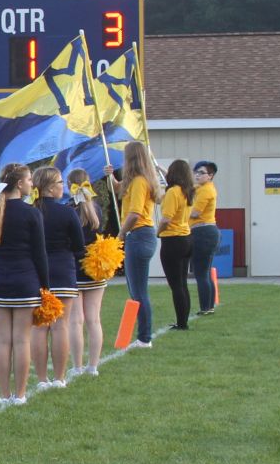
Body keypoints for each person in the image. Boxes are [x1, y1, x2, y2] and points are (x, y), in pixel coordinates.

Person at [0, 163, 47, 404]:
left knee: (2, 340)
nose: (32, 183)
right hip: (25, 281)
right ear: (19, 184)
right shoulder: (31, 213)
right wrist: (45, 286)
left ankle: (4, 394)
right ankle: (19, 395)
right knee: (21, 340)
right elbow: (40, 254)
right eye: (29, 179)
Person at [32, 167, 86, 387]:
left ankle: (42, 379)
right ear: (51, 187)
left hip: (35, 272)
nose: (63, 187)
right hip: (63, 271)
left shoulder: (30, 211)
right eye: (60, 183)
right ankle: (60, 378)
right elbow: (79, 246)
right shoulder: (67, 212)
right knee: (60, 326)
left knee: (39, 326)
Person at [117, 141, 161, 347]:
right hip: (144, 235)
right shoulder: (141, 181)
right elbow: (121, 192)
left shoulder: (139, 182)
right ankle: (142, 335)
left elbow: (134, 213)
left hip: (138, 235)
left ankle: (144, 337)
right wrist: (112, 177)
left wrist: (120, 234)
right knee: (136, 289)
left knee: (138, 290)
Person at [68, 169, 108, 376]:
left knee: (76, 320)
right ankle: (93, 366)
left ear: (69, 186)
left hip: (75, 269)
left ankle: (77, 366)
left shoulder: (70, 210)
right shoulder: (97, 208)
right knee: (94, 319)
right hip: (96, 268)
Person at [157, 159, 195, 332]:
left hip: (172, 239)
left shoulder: (172, 192)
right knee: (182, 283)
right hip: (186, 238)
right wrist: (159, 168)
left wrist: (158, 232)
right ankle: (183, 320)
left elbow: (166, 219)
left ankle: (181, 323)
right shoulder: (188, 191)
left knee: (175, 285)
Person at [189, 162, 221, 313]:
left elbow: (195, 213)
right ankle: (209, 306)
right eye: (196, 172)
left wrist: (178, 213)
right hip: (206, 232)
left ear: (210, 176)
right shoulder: (201, 188)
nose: (197, 175)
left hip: (203, 232)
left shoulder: (206, 190)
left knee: (201, 273)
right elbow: (182, 182)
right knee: (205, 272)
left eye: (201, 173)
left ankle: (205, 307)